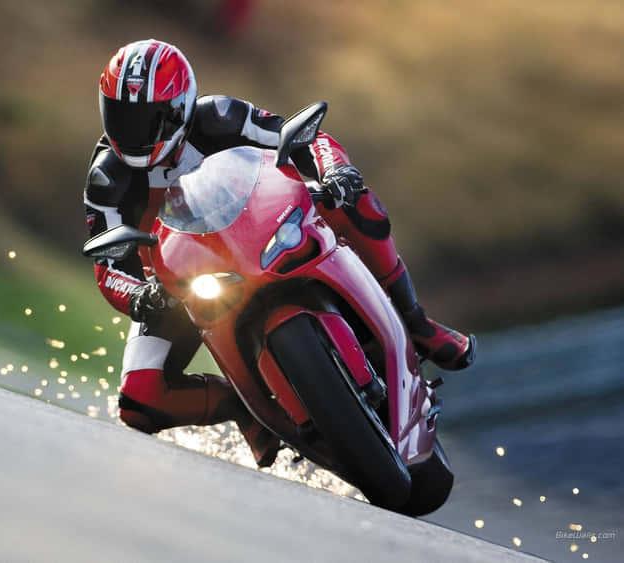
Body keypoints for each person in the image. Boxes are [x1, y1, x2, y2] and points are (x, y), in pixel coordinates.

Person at [83, 39, 475, 468]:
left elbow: (309, 138)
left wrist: (336, 170)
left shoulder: (221, 115)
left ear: (178, 108)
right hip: (180, 285)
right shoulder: (107, 179)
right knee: (139, 403)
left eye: (143, 120)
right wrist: (139, 295)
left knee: (356, 202)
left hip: (266, 229)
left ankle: (416, 323)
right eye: (119, 116)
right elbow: (107, 265)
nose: (130, 132)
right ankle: (244, 409)